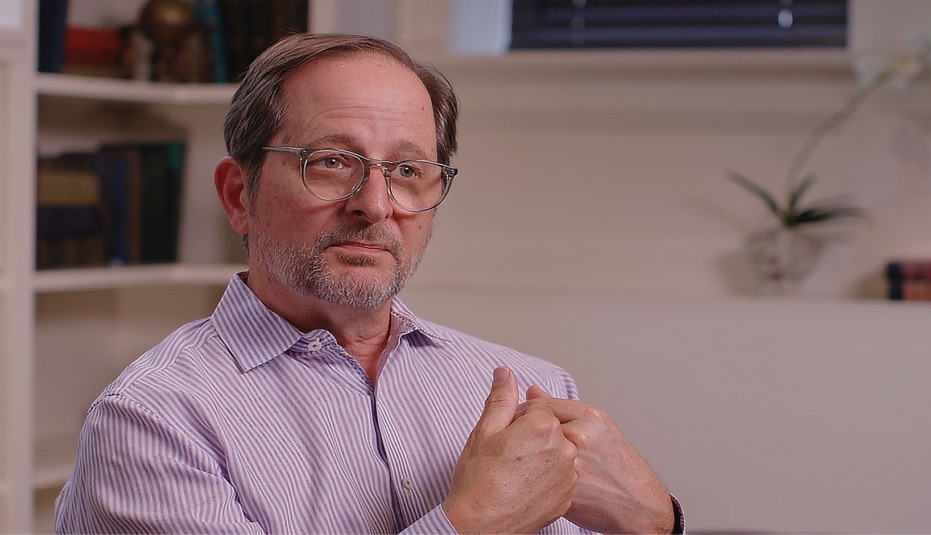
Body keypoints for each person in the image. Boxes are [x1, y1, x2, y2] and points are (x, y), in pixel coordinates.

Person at [55, 33, 683, 534]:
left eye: (408, 170)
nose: (376, 205)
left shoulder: (533, 387)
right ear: (239, 194)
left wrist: (659, 523)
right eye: (330, 162)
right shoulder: (151, 421)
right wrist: (471, 525)